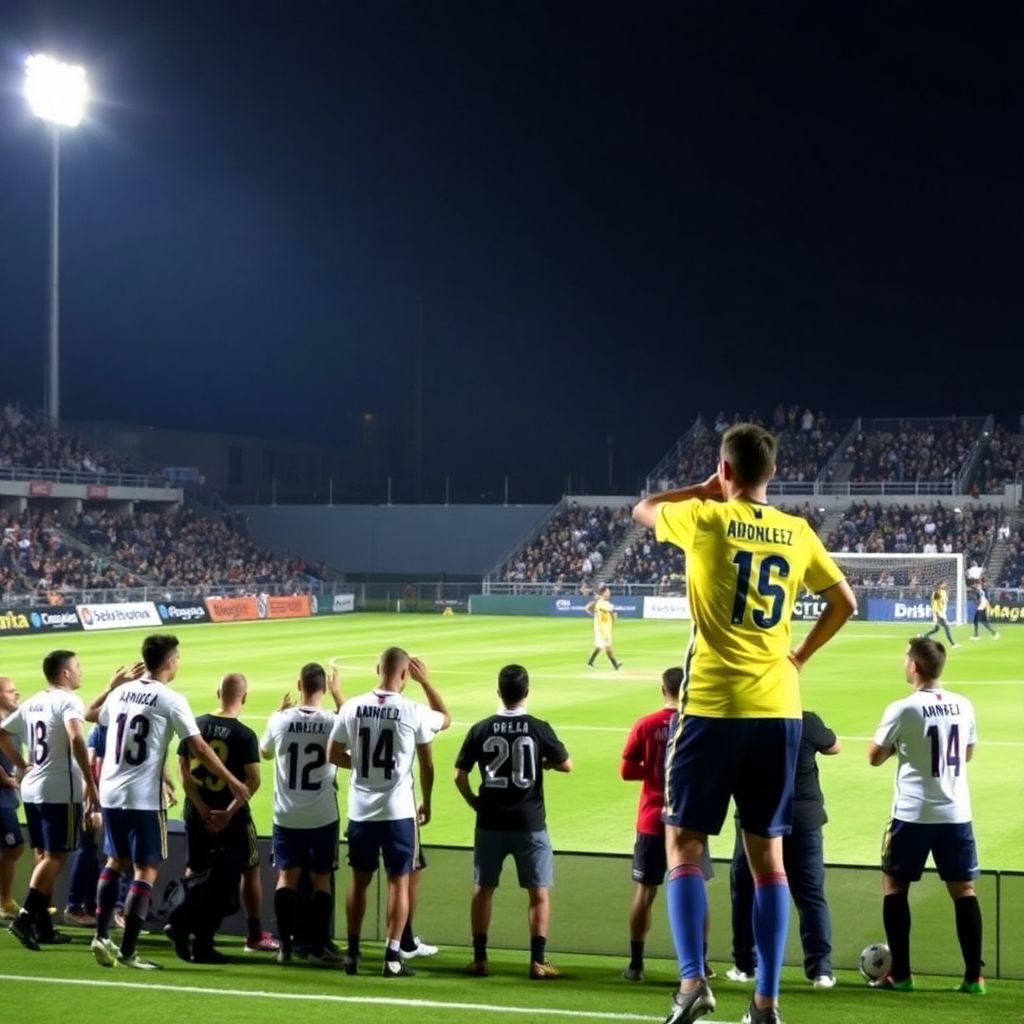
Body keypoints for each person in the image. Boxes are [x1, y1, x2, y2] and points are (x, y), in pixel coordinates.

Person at [633, 423, 856, 1024]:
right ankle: (766, 1002)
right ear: (773, 475)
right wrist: (801, 657)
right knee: (770, 861)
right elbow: (845, 602)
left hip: (711, 707)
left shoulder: (705, 519)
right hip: (779, 711)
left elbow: (644, 509)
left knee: (683, 844)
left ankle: (691, 982)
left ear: (725, 470)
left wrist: (701, 488)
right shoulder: (799, 531)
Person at [86, 634, 250, 970]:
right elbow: (200, 748)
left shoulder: (120, 693)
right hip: (143, 798)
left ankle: (101, 936)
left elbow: (90, 713)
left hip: (110, 792)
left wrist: (111, 685)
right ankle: (128, 951)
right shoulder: (171, 699)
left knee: (115, 861)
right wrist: (233, 780)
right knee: (145, 869)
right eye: (178, 658)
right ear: (170, 661)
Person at [868, 638, 985, 995]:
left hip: (912, 814)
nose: (904, 664)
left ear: (915, 667)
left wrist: (899, 750)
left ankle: (901, 975)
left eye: (906, 660)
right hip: (955, 813)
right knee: (964, 891)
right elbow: (966, 754)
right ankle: (973, 979)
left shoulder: (903, 709)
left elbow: (874, 756)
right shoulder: (963, 705)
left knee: (895, 887)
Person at [328, 648, 449, 977]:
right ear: (406, 674)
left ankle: (352, 955)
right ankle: (392, 958)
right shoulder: (413, 710)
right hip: (398, 812)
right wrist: (427, 683)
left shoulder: (351, 706)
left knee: (359, 882)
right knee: (399, 883)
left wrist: (361, 766)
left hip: (360, 812)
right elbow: (443, 726)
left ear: (377, 668)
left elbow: (333, 753)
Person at [454, 663, 572, 980]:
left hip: (489, 820)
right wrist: (542, 762)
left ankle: (479, 959)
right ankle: (538, 961)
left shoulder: (481, 728)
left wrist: (473, 801)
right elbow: (567, 765)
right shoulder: (537, 727)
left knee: (483, 889)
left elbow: (459, 774)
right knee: (538, 893)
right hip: (529, 822)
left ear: (499, 693)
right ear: (527, 692)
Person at [728, 710, 840, 989]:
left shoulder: (746, 722)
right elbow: (834, 746)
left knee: (746, 891)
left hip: (757, 819)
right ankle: (820, 970)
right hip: (803, 818)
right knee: (810, 894)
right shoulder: (807, 720)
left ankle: (746, 965)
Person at [0, 651, 104, 950]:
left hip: (32, 789)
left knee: (44, 853)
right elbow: (75, 737)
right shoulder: (68, 701)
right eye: (78, 667)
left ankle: (43, 927)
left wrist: (21, 765)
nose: (81, 672)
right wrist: (91, 782)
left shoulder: (33, 701)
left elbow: (2, 733)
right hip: (59, 789)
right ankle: (25, 918)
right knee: (57, 856)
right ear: (66, 674)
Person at [620, 667, 714, 983]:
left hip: (651, 819)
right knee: (696, 889)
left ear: (663, 690)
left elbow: (626, 771)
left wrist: (651, 772)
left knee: (645, 891)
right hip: (688, 819)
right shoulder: (698, 726)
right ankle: (699, 965)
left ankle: (636, 965)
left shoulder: (646, 724)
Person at [172, 672, 268, 962]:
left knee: (195, 869)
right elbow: (253, 781)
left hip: (196, 813)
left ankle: (180, 918)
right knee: (248, 871)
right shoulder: (245, 735)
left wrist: (200, 807)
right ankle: (253, 934)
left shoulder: (195, 725)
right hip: (233, 819)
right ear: (245, 697)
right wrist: (226, 814)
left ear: (217, 693)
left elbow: (183, 771)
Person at [260, 662, 343, 967]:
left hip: (286, 814)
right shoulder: (333, 720)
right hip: (322, 814)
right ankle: (319, 947)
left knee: (286, 878)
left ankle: (284, 946)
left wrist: (277, 712)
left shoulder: (279, 720)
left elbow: (265, 752)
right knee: (321, 879)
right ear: (323, 687)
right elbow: (352, 734)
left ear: (299, 685)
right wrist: (339, 695)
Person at [0, 676, 25, 924]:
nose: (16, 694)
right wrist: (6, 779)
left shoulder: (12, 721)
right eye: (10, 691)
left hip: (8, 796)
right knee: (14, 846)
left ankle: (5, 901)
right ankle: (5, 902)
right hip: (1, 798)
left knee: (12, 847)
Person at [585, 585, 622, 670]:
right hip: (602, 629)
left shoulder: (602, 602)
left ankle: (590, 662)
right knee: (607, 646)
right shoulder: (602, 603)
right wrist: (614, 620)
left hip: (605, 627)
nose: (609, 593)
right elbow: (613, 612)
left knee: (599, 646)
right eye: (607, 592)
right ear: (603, 593)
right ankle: (615, 665)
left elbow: (589, 609)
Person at [923, 580, 958, 648]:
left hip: (942, 612)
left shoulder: (943, 592)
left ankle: (925, 636)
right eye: (944, 584)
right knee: (947, 628)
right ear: (940, 585)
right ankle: (952, 644)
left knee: (936, 629)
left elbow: (944, 602)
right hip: (938, 613)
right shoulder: (936, 593)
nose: (945, 585)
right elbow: (935, 604)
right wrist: (937, 614)